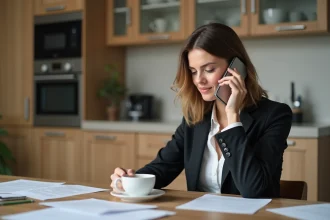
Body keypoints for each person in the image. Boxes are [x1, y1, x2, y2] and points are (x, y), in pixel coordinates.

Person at [110, 23, 292, 198]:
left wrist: (233, 118)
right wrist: (127, 181)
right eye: (193, 71)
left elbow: (254, 190)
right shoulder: (195, 118)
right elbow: (162, 169)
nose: (199, 80)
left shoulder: (275, 115)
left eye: (209, 69)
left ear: (237, 69)